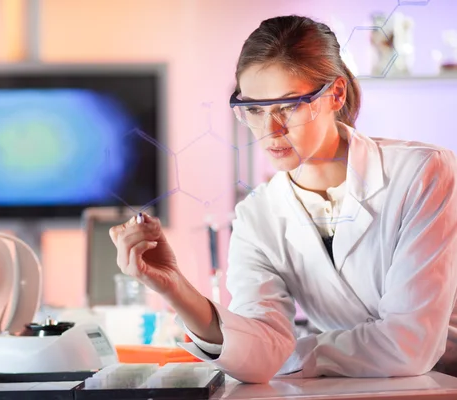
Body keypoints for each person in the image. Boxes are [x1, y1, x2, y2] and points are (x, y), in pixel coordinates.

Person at [109, 15, 457, 383]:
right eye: (255, 110)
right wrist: (174, 286)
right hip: (345, 389)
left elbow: (410, 344)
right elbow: (258, 355)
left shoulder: (421, 173)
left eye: (288, 106)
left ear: (335, 94)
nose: (269, 131)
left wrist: (291, 352)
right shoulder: (256, 216)